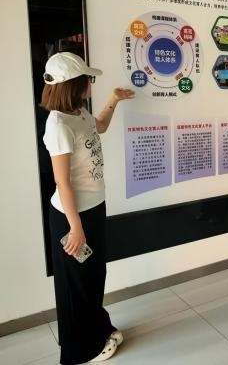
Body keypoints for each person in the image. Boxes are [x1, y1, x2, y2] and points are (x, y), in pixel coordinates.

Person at [41, 52, 134, 364]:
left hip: (92, 207)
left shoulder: (78, 112)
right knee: (76, 284)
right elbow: (62, 181)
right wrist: (75, 227)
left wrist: (114, 99)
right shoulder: (58, 125)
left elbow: (100, 126)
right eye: (87, 79)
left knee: (93, 275)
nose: (90, 84)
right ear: (73, 84)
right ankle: (81, 351)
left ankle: (97, 330)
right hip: (72, 216)